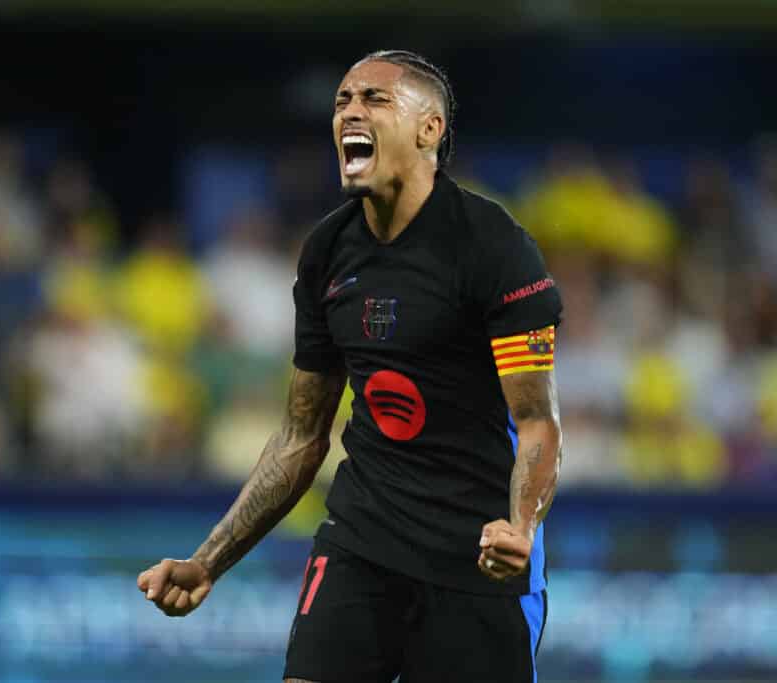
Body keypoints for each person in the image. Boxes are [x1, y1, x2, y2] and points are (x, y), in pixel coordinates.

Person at [137, 50, 564, 683]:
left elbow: (537, 421)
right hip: (364, 541)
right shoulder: (328, 253)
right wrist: (208, 561)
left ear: (430, 130)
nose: (350, 112)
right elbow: (301, 437)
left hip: (476, 558)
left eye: (374, 99)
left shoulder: (494, 246)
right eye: (343, 100)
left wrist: (521, 528)